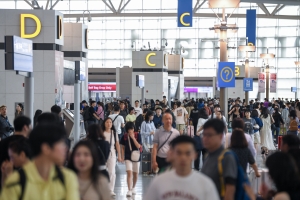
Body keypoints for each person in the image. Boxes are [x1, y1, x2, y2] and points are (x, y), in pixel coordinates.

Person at [0, 123, 80, 200]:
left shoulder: (68, 178)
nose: (65, 149)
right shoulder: (15, 182)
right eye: (62, 144)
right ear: (46, 148)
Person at [144, 135, 219, 200]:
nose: (183, 157)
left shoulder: (206, 185)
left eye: (188, 153)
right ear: (172, 154)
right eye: (179, 153)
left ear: (195, 155)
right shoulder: (158, 182)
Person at [201, 119, 238, 200]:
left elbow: (230, 189)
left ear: (220, 136)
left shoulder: (226, 157)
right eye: (204, 135)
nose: (205, 138)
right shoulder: (208, 156)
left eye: (209, 135)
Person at [101, 118, 122, 196]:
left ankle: (110, 190)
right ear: (104, 123)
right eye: (107, 122)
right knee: (102, 172)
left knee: (112, 172)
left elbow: (117, 144)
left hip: (112, 154)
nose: (109, 124)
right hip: (102, 155)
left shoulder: (114, 133)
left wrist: (119, 155)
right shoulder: (101, 133)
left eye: (110, 122)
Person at [120, 122, 142, 197]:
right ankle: (129, 190)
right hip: (127, 156)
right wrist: (122, 157)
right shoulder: (124, 136)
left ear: (134, 128)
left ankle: (133, 187)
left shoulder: (138, 135)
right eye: (129, 129)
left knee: (136, 174)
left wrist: (133, 138)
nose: (130, 130)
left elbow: (139, 146)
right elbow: (122, 147)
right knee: (129, 172)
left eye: (132, 129)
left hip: (136, 156)